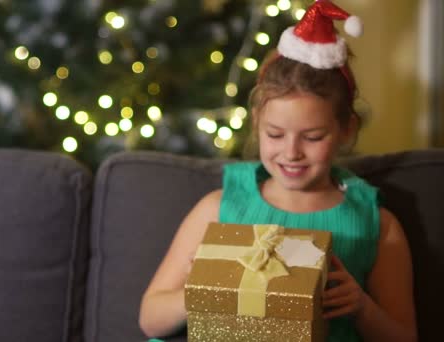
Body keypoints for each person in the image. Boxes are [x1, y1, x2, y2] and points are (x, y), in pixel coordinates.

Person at [139, 1, 417, 341]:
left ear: (346, 129)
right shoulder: (218, 207)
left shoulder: (375, 223)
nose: (291, 152)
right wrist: (202, 289)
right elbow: (150, 319)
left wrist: (361, 307)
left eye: (313, 137)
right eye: (274, 134)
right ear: (257, 124)